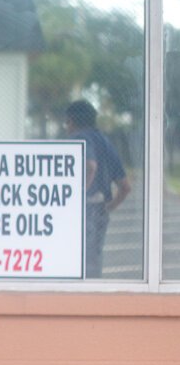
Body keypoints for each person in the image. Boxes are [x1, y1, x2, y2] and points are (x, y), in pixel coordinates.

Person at [65, 100, 131, 278]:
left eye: (67, 123)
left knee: (71, 264)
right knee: (93, 266)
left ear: (72, 121)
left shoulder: (78, 139)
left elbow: (90, 166)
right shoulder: (105, 143)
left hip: (83, 210)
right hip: (100, 211)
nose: (66, 127)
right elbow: (125, 186)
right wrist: (109, 206)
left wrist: (78, 195)